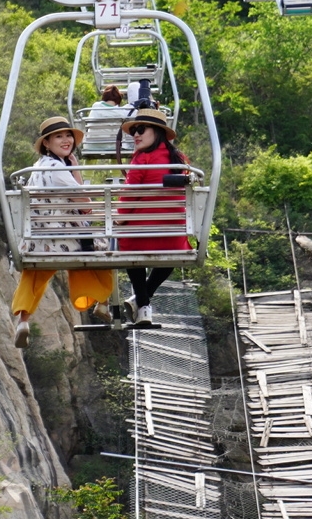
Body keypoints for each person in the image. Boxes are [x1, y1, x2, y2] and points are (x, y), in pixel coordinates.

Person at [11, 117, 116, 347]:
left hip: (36, 240)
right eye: (59, 136)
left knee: (34, 274)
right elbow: (85, 206)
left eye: (68, 135)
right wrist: (76, 170)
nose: (66, 140)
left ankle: (23, 320)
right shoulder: (59, 169)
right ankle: (103, 301)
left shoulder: (37, 167)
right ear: (47, 143)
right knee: (105, 248)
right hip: (64, 239)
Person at [116, 108, 192, 326]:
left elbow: (130, 194)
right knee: (174, 254)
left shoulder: (143, 159)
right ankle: (143, 303)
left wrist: (120, 219)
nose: (136, 135)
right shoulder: (178, 160)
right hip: (174, 239)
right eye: (134, 132)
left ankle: (143, 302)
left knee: (129, 249)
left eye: (141, 129)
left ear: (157, 131)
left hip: (140, 237)